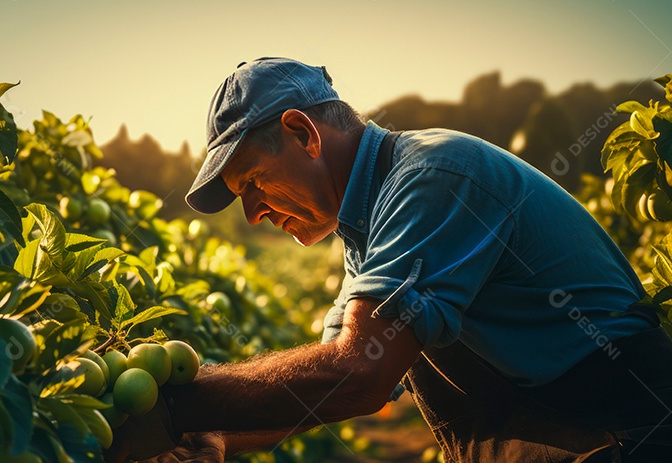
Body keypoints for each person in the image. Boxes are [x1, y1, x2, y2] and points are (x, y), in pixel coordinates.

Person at [104, 58, 672, 462]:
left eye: (253, 182)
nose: (253, 214)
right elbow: (328, 374)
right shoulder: (370, 225)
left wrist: (180, 407)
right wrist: (221, 434)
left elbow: (359, 373)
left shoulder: (432, 178)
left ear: (303, 133)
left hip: (625, 433)